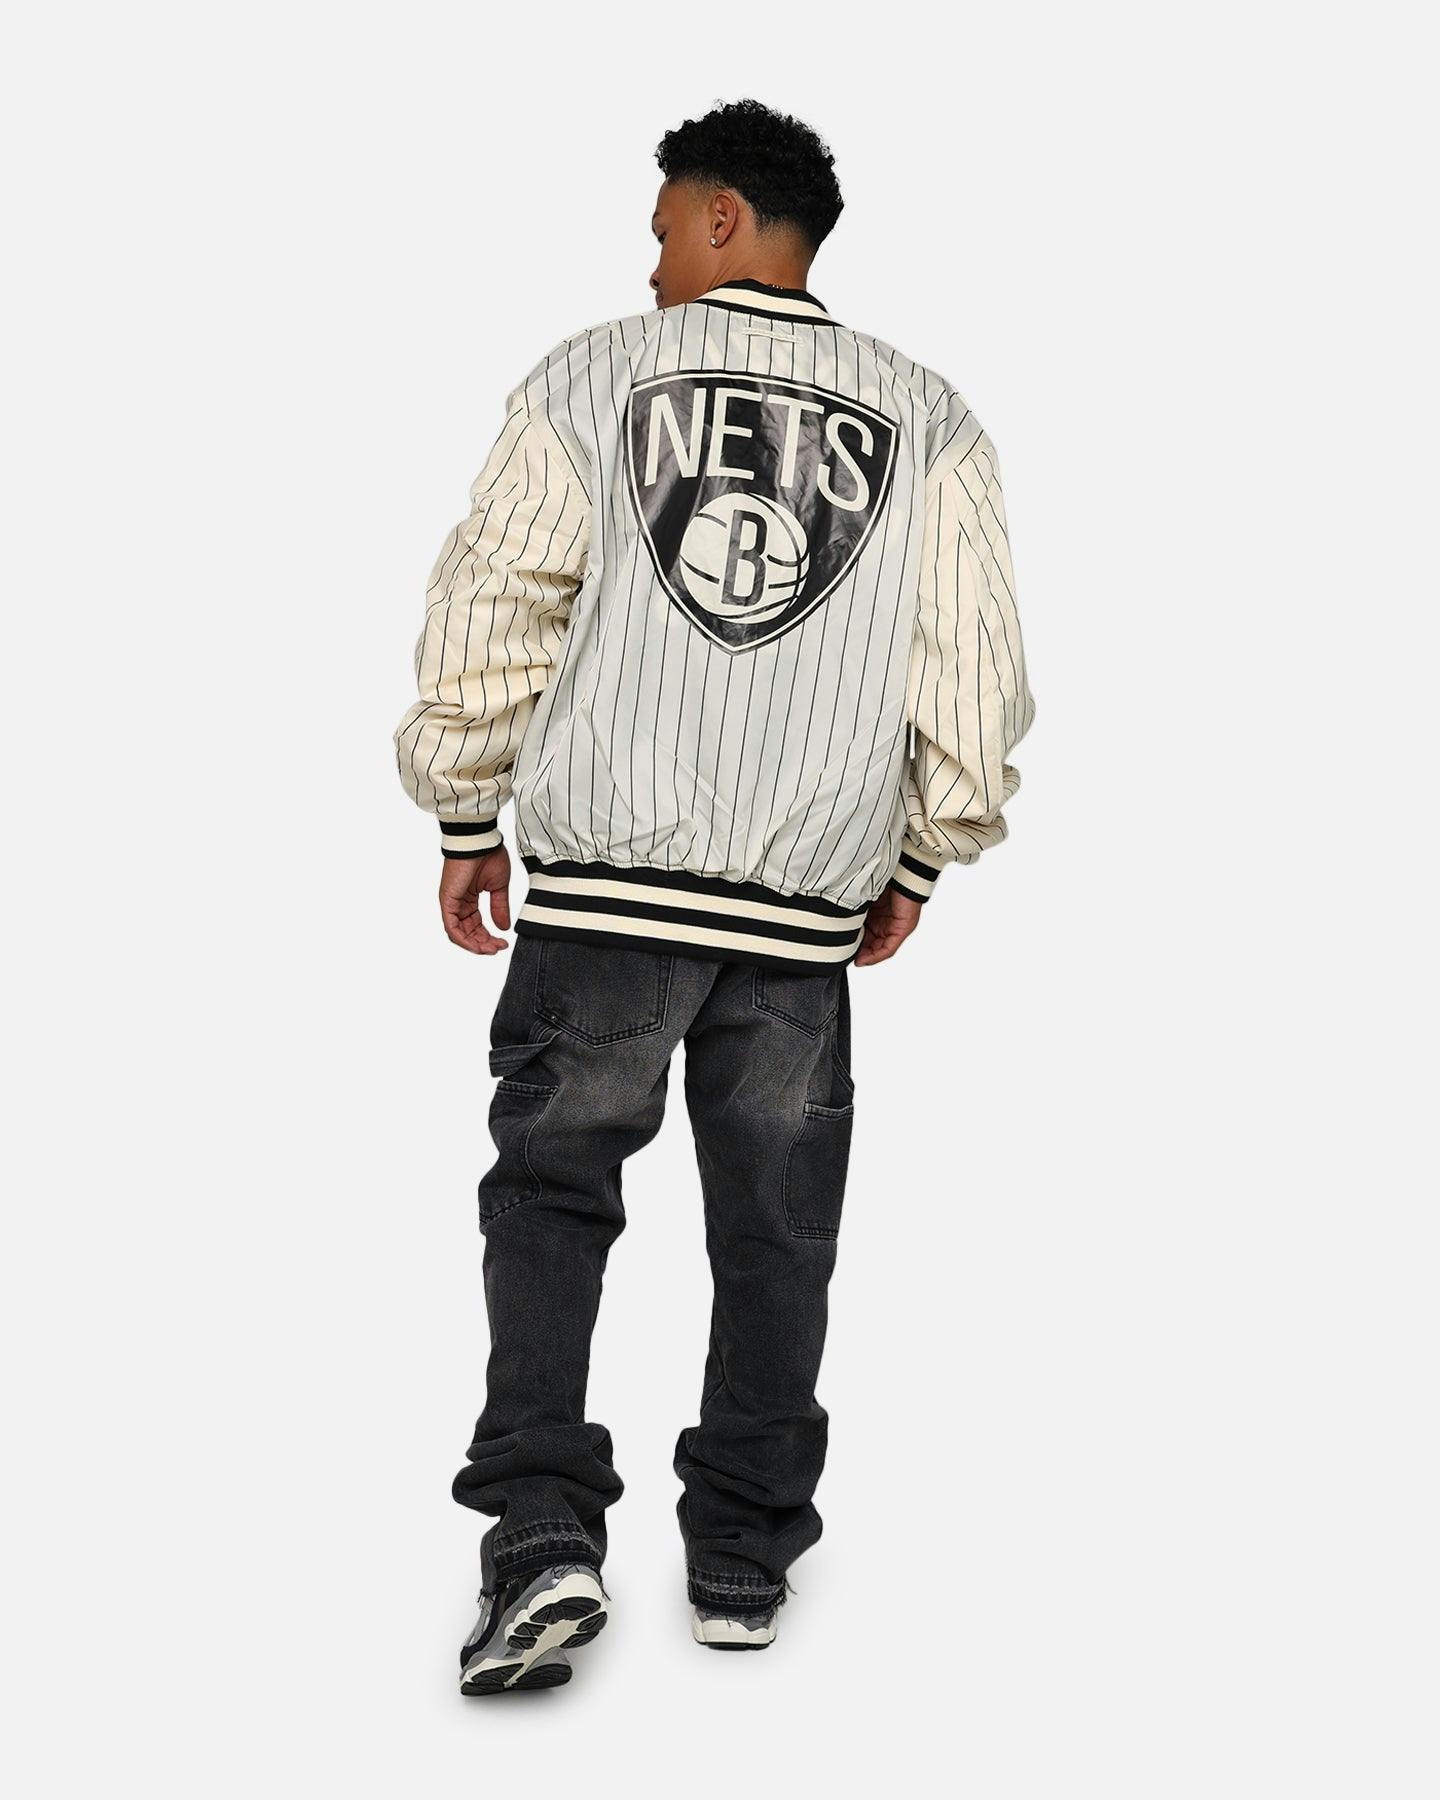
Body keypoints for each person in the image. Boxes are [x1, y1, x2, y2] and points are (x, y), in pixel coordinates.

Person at [394, 98, 1034, 1694]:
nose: (654, 258)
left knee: (551, 1202)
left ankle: (541, 1537)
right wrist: (919, 851)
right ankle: (743, 1551)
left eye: (667, 223)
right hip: (801, 916)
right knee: (776, 1229)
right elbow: (974, 665)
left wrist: (467, 806)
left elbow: (498, 596)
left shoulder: (593, 376)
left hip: (606, 897)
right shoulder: (929, 417)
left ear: (729, 217)